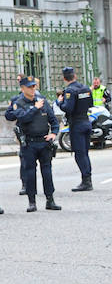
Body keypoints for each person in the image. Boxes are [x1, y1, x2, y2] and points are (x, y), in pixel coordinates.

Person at [6, 77, 62, 212]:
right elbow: (23, 118)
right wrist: (35, 108)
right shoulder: (18, 103)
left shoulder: (42, 101)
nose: (33, 89)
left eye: (34, 86)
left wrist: (54, 134)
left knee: (47, 172)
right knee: (30, 173)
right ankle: (32, 201)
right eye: (30, 87)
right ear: (23, 88)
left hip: (44, 142)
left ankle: (50, 199)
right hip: (29, 144)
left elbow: (53, 120)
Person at [58, 66, 94, 192]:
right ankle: (87, 179)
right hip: (86, 121)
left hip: (77, 124)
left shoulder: (70, 91)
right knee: (85, 153)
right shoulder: (85, 88)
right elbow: (91, 104)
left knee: (79, 154)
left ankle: (86, 181)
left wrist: (59, 103)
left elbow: (68, 108)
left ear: (64, 78)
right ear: (75, 76)